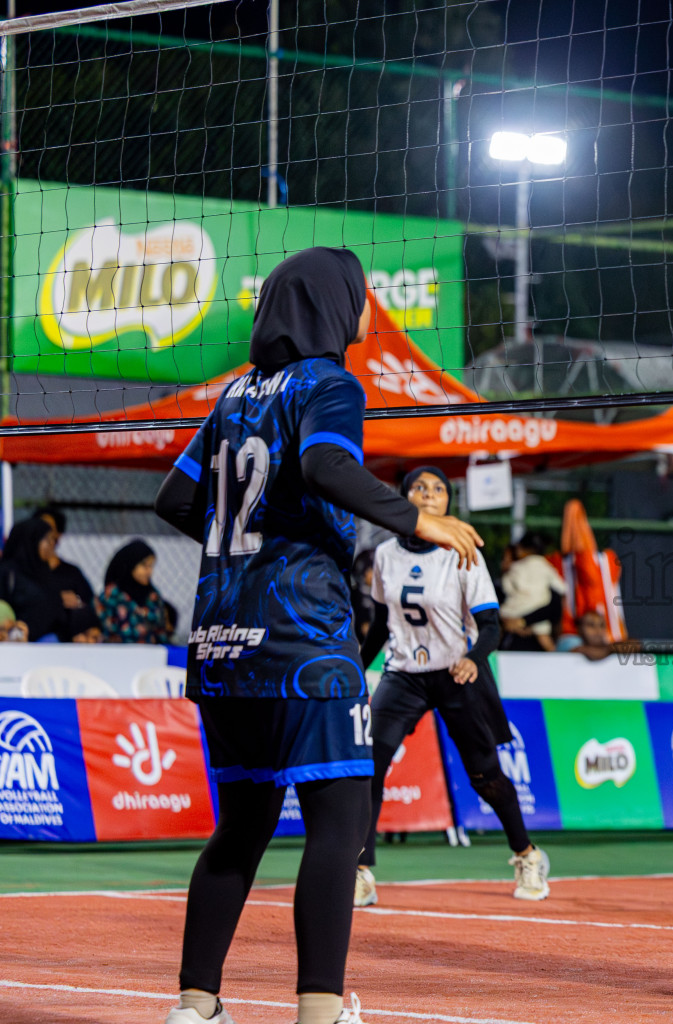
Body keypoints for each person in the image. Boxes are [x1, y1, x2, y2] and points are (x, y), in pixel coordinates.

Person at [154, 247, 482, 1024]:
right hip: (302, 639)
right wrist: (417, 519)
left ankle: (195, 1006)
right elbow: (327, 465)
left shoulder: (235, 394)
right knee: (339, 821)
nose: (368, 307)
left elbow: (175, 499)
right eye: (361, 294)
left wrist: (250, 539)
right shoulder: (330, 384)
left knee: (242, 826)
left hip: (222, 641)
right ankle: (321, 1010)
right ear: (335, 305)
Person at [355, 466, 550, 907]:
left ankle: (527, 854)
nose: (429, 494)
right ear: (404, 497)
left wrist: (473, 659)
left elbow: (491, 626)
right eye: (419, 487)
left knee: (485, 776)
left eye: (439, 489)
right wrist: (356, 668)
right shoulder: (385, 554)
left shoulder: (462, 550)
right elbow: (382, 625)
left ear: (448, 501)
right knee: (369, 764)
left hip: (457, 673)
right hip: (404, 674)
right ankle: (361, 871)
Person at [0, 517, 98, 642]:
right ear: (32, 540)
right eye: (47, 539)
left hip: (53, 644)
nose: (52, 544)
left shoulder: (44, 572)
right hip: (18, 643)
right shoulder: (7, 572)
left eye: (53, 539)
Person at [31, 507, 102, 640]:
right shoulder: (25, 571)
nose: (43, 533)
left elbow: (90, 604)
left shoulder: (72, 573)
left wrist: (77, 602)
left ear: (58, 534)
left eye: (48, 529)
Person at [95, 539, 178, 644]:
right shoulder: (111, 596)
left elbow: (161, 633)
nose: (149, 571)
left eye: (151, 566)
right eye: (144, 565)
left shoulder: (153, 596)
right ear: (131, 564)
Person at [500, 532, 566, 652]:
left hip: (512, 617)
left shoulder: (515, 568)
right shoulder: (547, 568)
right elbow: (561, 589)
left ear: (520, 549)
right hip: (538, 627)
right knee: (547, 642)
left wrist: (519, 621)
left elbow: (507, 588)